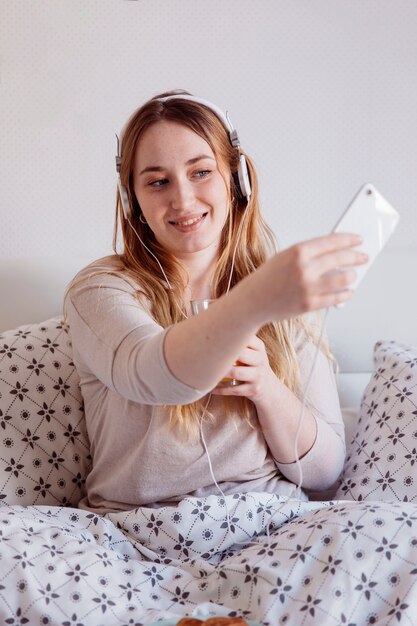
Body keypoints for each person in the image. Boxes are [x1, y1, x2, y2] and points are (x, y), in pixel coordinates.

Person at [64, 90, 367, 515]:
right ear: (132, 198)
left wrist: (265, 387)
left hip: (269, 527)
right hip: (137, 535)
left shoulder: (282, 294)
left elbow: (323, 472)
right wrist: (255, 301)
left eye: (201, 172)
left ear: (236, 177)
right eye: (157, 181)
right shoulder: (100, 290)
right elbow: (155, 373)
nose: (183, 199)